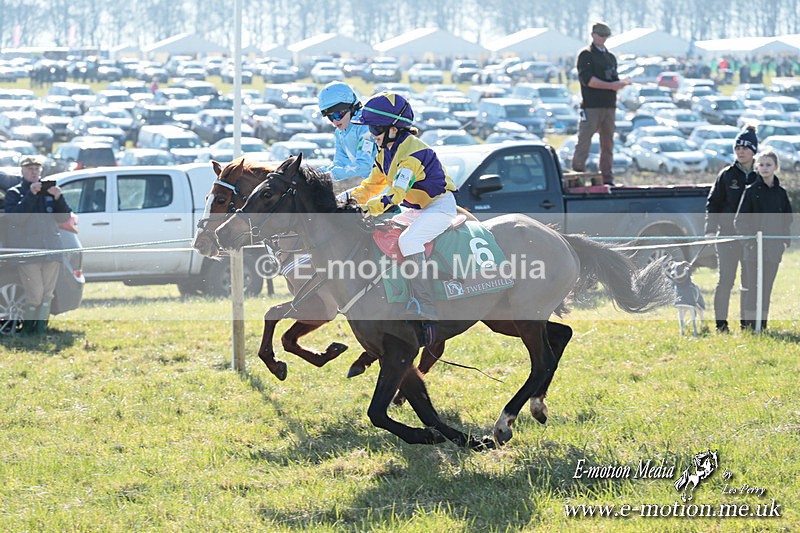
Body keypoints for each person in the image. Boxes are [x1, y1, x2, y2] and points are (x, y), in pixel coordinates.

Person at [350, 92, 457, 340]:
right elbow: (371, 185)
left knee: (408, 241)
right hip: (417, 210)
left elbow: (395, 195)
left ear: (394, 128)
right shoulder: (385, 151)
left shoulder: (413, 153)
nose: (371, 133)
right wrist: (348, 200)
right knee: (382, 233)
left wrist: (368, 208)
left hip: (439, 207)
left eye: (375, 127)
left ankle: (426, 305)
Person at [3, 155, 73, 335]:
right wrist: (31, 195)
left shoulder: (49, 191)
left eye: (36, 169)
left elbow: (63, 218)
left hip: (52, 248)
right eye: (30, 169)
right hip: (28, 251)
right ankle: (27, 331)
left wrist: (59, 199)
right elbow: (16, 219)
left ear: (41, 171)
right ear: (23, 172)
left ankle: (40, 331)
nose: (34, 172)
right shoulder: (15, 193)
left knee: (47, 294)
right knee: (35, 294)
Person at [704, 125, 759, 333]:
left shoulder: (759, 175)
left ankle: (747, 324)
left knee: (748, 282)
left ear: (753, 150)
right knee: (725, 281)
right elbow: (713, 203)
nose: (741, 151)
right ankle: (721, 325)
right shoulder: (726, 175)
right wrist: (710, 229)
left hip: (751, 238)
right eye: (737, 148)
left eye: (745, 148)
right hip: (726, 237)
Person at [734, 149, 793, 332]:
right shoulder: (750, 192)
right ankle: (749, 327)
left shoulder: (781, 193)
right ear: (756, 167)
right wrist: (749, 242)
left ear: (776, 167)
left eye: (769, 165)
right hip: (754, 250)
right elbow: (740, 220)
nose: (765, 168)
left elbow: (787, 219)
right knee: (752, 288)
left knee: (766, 288)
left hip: (773, 249)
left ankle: (762, 325)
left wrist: (784, 241)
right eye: (761, 165)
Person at [571, 21, 631, 186]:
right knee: (584, 141)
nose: (603, 39)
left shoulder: (610, 57)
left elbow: (612, 78)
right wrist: (611, 86)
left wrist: (621, 83)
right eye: (601, 35)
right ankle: (577, 176)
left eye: (606, 36)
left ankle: (606, 177)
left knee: (608, 143)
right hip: (591, 106)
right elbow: (588, 80)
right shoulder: (586, 55)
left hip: (609, 106)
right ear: (593, 35)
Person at [316, 81, 376, 194]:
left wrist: (330, 175)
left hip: (386, 186)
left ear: (352, 107)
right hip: (368, 185)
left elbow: (364, 166)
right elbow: (339, 164)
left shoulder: (364, 127)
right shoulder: (340, 133)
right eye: (330, 117)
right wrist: (315, 173)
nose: (335, 121)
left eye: (337, 115)